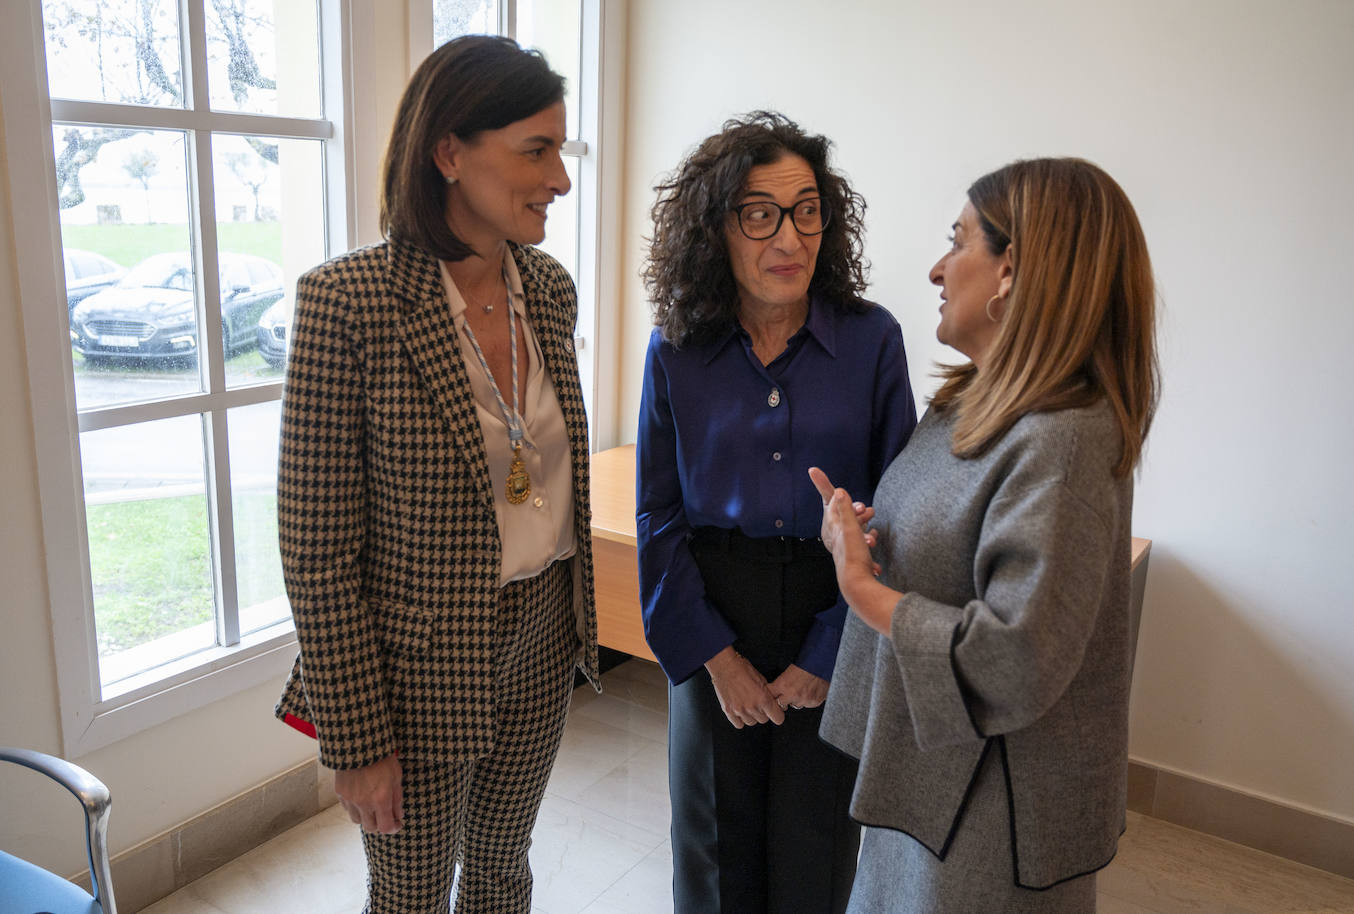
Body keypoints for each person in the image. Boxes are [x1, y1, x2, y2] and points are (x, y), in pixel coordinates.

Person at [272, 35, 599, 914]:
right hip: (416, 664)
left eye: (560, 149)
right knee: (411, 894)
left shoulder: (552, 291)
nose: (559, 179)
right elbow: (316, 548)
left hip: (544, 630)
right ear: (448, 152)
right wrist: (356, 736)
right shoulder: (350, 304)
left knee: (502, 869)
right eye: (536, 150)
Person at [809, 157, 1160, 913]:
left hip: (991, 810)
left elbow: (1014, 659)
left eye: (958, 240)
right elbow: (957, 552)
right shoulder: (973, 402)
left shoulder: (1063, 438)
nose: (938, 267)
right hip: (933, 774)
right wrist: (872, 540)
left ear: (1012, 271)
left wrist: (860, 586)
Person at [636, 111, 918, 913]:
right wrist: (715, 659)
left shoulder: (873, 341)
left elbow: (898, 510)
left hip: (835, 603)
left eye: (806, 211)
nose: (787, 238)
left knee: (817, 843)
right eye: (758, 213)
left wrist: (832, 649)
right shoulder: (676, 347)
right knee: (714, 849)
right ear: (715, 228)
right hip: (709, 603)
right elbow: (658, 513)